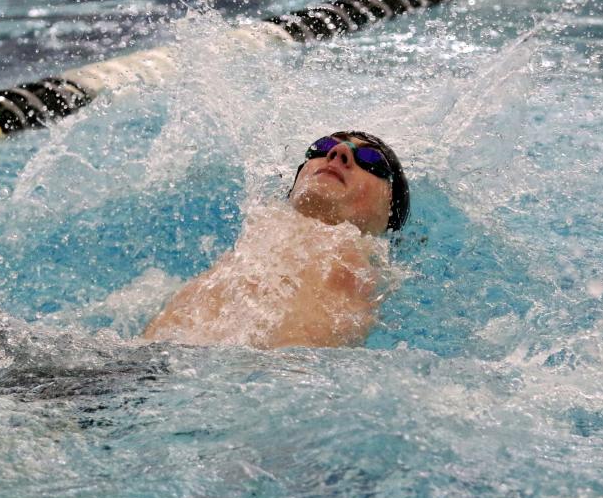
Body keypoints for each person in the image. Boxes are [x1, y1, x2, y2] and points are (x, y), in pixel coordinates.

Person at [142, 131, 408, 349]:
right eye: (322, 146)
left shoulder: (361, 267)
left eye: (370, 159)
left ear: (389, 213)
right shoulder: (261, 230)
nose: (338, 153)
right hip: (137, 363)